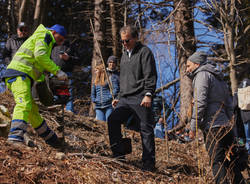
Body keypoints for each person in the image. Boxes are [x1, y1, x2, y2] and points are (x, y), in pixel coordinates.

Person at [2, 24, 68, 148]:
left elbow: (38, 64)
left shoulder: (46, 41)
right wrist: (57, 71)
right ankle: (14, 138)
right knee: (24, 104)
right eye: (60, 38)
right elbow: (40, 56)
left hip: (23, 75)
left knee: (33, 112)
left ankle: (52, 140)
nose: (61, 42)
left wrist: (45, 83)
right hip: (19, 74)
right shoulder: (44, 36)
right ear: (54, 32)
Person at [186, 51, 245, 184]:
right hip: (226, 127)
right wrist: (233, 127)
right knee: (231, 164)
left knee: (216, 162)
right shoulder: (219, 78)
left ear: (197, 64)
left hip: (213, 127)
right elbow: (229, 106)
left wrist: (193, 126)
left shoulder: (202, 75)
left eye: (188, 66)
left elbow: (200, 102)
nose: (187, 69)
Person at [107, 25, 157, 172]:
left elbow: (150, 74)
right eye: (122, 41)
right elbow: (123, 78)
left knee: (145, 128)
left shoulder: (145, 52)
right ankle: (118, 156)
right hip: (125, 98)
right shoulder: (123, 55)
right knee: (113, 120)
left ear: (135, 38)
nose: (124, 44)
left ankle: (148, 163)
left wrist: (148, 94)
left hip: (141, 96)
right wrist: (119, 97)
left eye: (127, 40)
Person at [51, 40, 80, 114]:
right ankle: (54, 110)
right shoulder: (52, 46)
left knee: (68, 94)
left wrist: (68, 58)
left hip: (67, 73)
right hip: (54, 73)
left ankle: (69, 111)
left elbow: (78, 60)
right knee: (54, 93)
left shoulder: (70, 46)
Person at [1, 22, 30, 92]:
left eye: (25, 30)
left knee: (27, 89)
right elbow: (5, 55)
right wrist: (10, 64)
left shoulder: (30, 41)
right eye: (21, 30)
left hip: (28, 70)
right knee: (15, 89)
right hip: (14, 70)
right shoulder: (11, 40)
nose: (23, 32)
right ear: (17, 30)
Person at [233, 78, 250, 154]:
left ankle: (247, 155)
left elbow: (234, 106)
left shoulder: (238, 91)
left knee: (247, 139)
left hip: (244, 118)